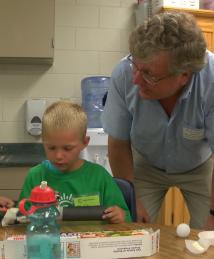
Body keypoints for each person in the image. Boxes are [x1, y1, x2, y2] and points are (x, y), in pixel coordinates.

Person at [102, 11, 214, 229]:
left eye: (149, 75)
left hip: (199, 165)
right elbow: (118, 143)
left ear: (184, 75)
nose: (135, 80)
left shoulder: (212, 79)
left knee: (210, 239)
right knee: (131, 230)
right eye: (135, 65)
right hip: (145, 163)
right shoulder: (124, 73)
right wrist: (132, 200)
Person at [18, 101, 131, 224]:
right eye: (51, 148)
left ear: (85, 142)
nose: (58, 156)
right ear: (43, 142)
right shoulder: (36, 176)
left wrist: (120, 216)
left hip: (92, 241)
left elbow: (124, 218)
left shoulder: (99, 176)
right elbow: (22, 219)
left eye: (67, 148)